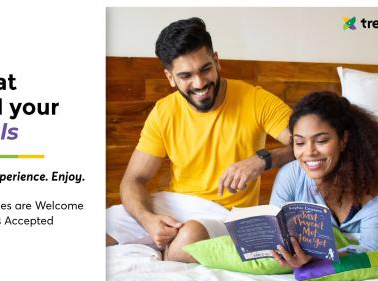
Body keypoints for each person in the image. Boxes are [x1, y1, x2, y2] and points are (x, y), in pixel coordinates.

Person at [106, 17, 294, 262]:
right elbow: (134, 179)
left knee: (189, 237)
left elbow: (306, 143)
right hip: (171, 205)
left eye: (205, 69)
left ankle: (164, 255)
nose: (200, 83)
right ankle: (157, 243)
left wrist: (262, 159)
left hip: (224, 213)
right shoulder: (164, 111)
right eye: (185, 75)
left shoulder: (256, 100)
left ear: (216, 61)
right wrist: (148, 220)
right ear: (170, 77)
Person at [269, 91, 378, 268]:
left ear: (344, 140)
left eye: (321, 140)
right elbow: (273, 230)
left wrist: (317, 259)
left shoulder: (376, 188)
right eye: (300, 143)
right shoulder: (289, 175)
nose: (309, 152)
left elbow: (375, 249)